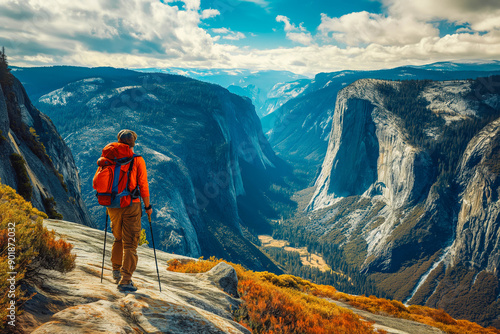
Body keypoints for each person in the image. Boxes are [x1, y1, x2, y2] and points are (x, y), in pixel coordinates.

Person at [107, 129, 152, 292]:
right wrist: (147, 207)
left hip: (112, 205)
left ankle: (116, 271)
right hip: (131, 205)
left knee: (118, 238)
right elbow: (143, 186)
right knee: (130, 244)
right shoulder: (137, 160)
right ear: (133, 143)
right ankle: (126, 281)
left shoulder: (109, 158)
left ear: (118, 142)